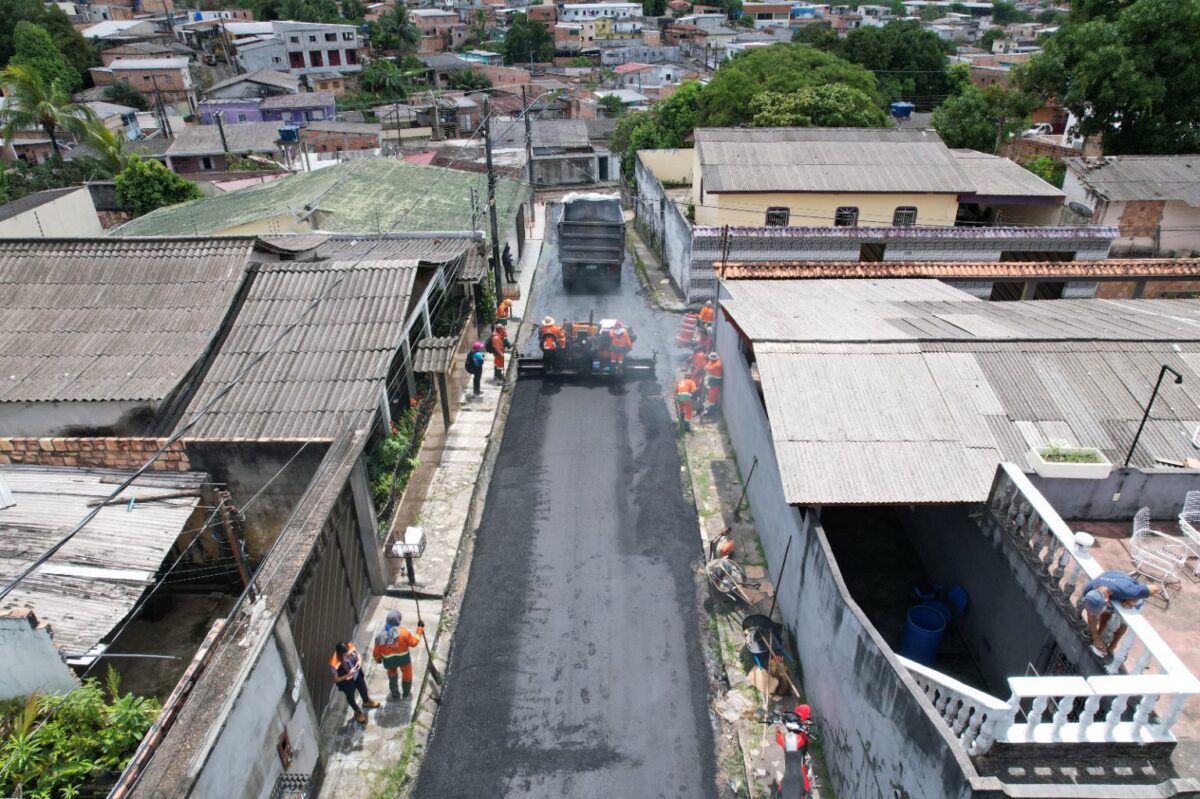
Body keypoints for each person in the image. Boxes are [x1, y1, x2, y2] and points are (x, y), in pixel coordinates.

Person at [1082, 571, 1160, 657]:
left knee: (1121, 624)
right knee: (1104, 617)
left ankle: (1112, 646)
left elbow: (1154, 588)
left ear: (1107, 599)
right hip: (1114, 578)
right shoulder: (1088, 589)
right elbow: (1091, 614)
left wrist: (1133, 598)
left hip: (1129, 592)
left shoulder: (1127, 591)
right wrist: (1095, 638)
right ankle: (1099, 636)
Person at [372, 609, 424, 699]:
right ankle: (406, 692)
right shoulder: (404, 632)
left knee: (392, 674)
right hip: (403, 659)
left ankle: (395, 691)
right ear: (398, 620)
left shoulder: (381, 635)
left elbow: (376, 652)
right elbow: (414, 642)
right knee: (407, 674)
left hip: (389, 661)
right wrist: (419, 630)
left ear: (387, 620)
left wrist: (377, 659)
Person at [330, 641, 380, 724]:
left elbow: (358, 655)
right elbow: (336, 679)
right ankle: (357, 711)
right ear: (340, 653)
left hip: (358, 676)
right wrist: (348, 674)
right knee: (350, 697)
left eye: (348, 651)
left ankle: (366, 701)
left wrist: (359, 662)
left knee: (363, 689)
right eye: (345, 653)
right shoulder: (335, 663)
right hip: (347, 683)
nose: (348, 654)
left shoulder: (350, 647)